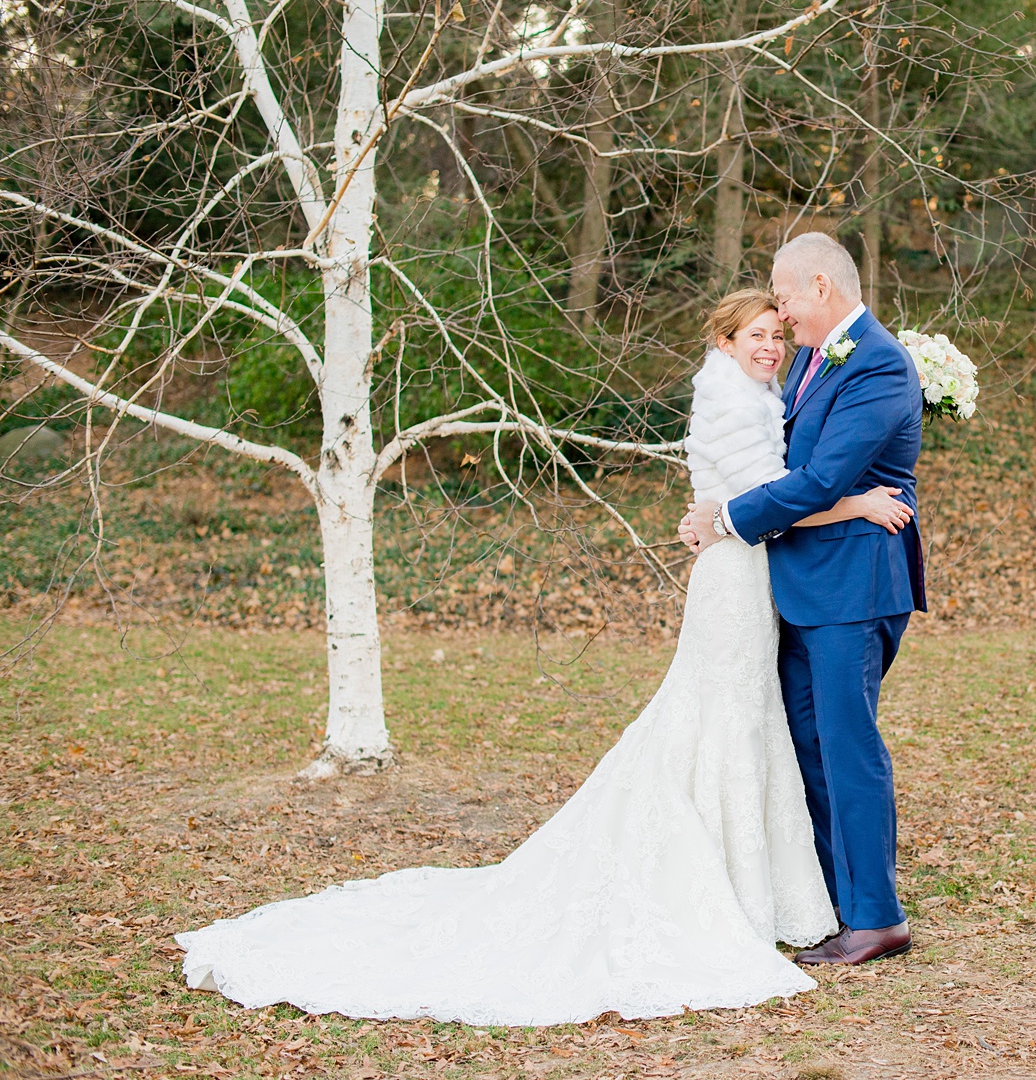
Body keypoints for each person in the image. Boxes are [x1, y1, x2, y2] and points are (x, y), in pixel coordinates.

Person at [174, 289, 914, 1025]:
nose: (770, 345)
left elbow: (770, 490)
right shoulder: (729, 397)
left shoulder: (765, 394)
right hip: (734, 580)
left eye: (774, 336)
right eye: (754, 334)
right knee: (719, 719)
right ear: (723, 341)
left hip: (754, 576)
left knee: (747, 722)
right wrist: (854, 504)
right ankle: (725, 883)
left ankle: (767, 879)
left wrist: (740, 510)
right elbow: (774, 495)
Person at [680, 233, 926, 967]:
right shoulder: (821, 358)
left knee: (848, 746)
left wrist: (724, 519)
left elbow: (819, 481)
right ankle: (831, 898)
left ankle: (878, 918)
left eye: (784, 299)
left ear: (821, 285)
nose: (781, 317)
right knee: (808, 744)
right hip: (803, 585)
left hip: (853, 586)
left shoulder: (878, 363)